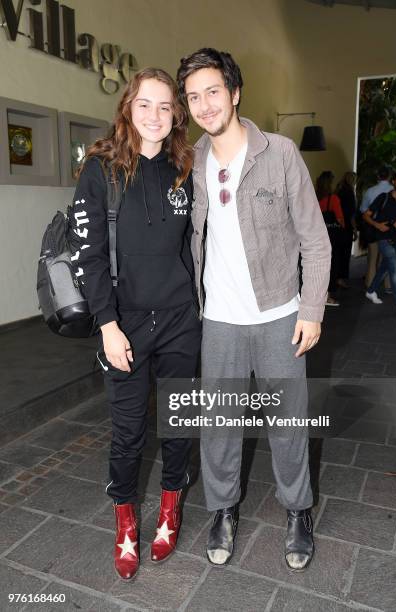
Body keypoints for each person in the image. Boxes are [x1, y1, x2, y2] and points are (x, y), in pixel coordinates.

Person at [177, 48, 331, 571]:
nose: (204, 104)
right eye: (193, 96)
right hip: (218, 320)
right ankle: (222, 510)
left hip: (279, 316)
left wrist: (311, 309)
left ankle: (298, 511)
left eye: (212, 91)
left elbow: (316, 239)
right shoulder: (191, 160)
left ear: (235, 93)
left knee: (288, 423)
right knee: (218, 423)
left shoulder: (281, 153)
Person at [68, 68, 201, 580]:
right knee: (127, 434)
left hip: (180, 320)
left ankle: (170, 508)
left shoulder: (185, 166)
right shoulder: (100, 168)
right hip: (123, 324)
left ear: (176, 114)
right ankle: (126, 522)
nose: (154, 115)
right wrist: (106, 323)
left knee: (177, 423)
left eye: (165, 106)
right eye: (144, 104)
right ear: (128, 107)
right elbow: (90, 253)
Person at [364, 170, 396, 312]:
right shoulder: (383, 198)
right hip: (384, 239)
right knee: (394, 269)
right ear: (393, 182)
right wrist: (378, 225)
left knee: (384, 268)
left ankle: (371, 291)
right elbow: (366, 215)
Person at [360, 166, 393, 288]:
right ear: (390, 177)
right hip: (388, 229)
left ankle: (369, 285)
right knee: (387, 259)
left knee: (372, 259)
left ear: (378, 176)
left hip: (372, 227)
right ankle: (388, 285)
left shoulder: (370, 191)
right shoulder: (394, 191)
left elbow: (363, 210)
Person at [316, 171, 345, 306]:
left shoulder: (314, 196)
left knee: (317, 266)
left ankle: (316, 294)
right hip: (331, 237)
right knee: (331, 265)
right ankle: (327, 296)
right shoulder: (333, 199)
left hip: (316, 236)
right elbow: (339, 219)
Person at [335, 171, 358, 288]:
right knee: (345, 254)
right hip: (346, 227)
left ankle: (335, 277)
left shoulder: (338, 191)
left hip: (337, 226)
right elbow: (351, 215)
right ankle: (341, 278)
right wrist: (355, 230)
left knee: (337, 253)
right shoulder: (350, 194)